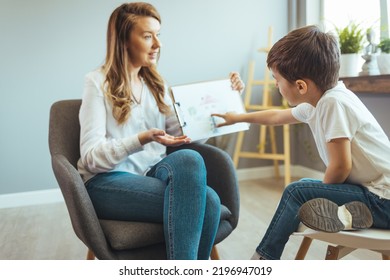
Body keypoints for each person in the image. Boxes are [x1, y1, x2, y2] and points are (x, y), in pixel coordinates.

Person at [77, 2, 244, 260]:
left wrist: (226, 102)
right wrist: (140, 139)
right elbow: (91, 157)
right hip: (107, 182)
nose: (158, 44)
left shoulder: (156, 84)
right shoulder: (97, 82)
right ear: (123, 40)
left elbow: (183, 133)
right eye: (147, 36)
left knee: (191, 161)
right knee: (208, 202)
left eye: (158, 35)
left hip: (150, 175)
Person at [212, 25, 390, 260]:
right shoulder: (320, 100)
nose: (276, 85)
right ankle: (347, 216)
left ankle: (263, 260)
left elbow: (340, 166)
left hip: (382, 200)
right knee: (305, 186)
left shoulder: (332, 104)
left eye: (277, 79)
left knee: (297, 191)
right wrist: (237, 117)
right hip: (370, 193)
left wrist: (320, 194)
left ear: (301, 86)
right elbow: (276, 116)